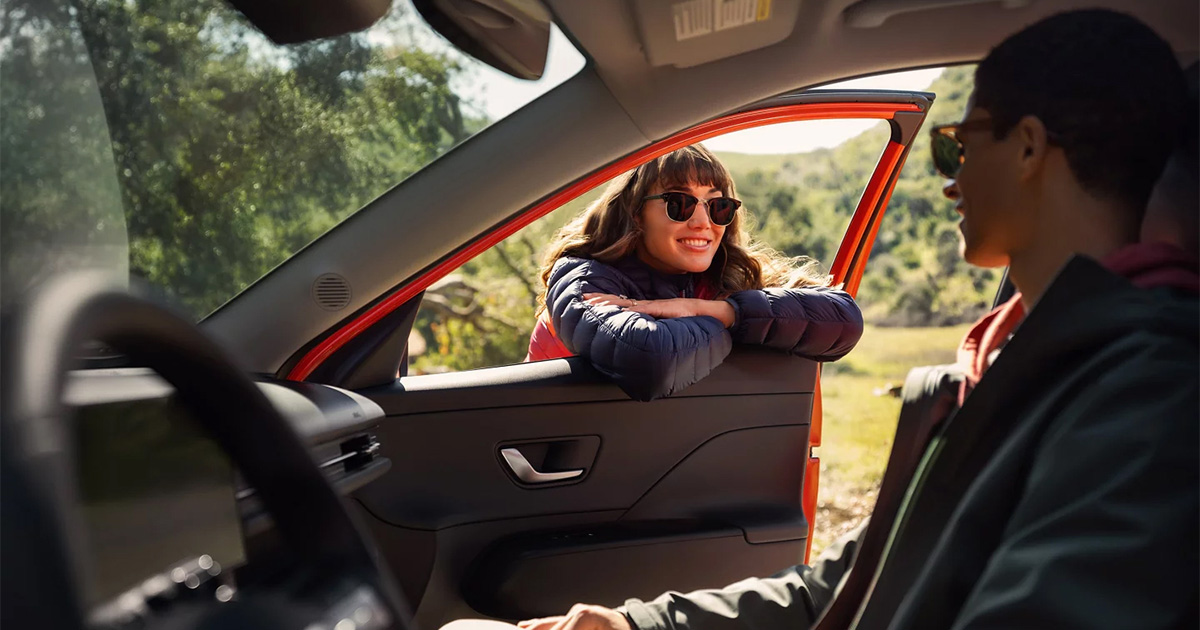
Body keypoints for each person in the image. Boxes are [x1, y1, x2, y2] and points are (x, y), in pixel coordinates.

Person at [447, 9, 1196, 630]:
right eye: (679, 204)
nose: (950, 179)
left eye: (957, 145)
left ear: (1028, 148)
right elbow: (860, 576)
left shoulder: (1152, 395)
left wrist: (715, 310)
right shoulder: (1024, 362)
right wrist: (638, 624)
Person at [523, 144, 864, 401]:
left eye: (718, 205)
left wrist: (722, 312)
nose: (702, 222)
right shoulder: (583, 278)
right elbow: (651, 358)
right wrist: (749, 327)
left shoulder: (727, 281)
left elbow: (845, 321)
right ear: (635, 212)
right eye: (679, 203)